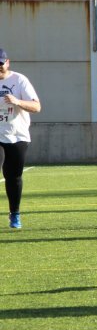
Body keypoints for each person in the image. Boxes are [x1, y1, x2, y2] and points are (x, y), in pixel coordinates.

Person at [0, 48, 42, 229]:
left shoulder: (19, 80)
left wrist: (17, 102)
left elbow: (37, 106)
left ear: (7, 62)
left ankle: (14, 214)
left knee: (13, 177)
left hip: (17, 135)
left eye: (0, 64)